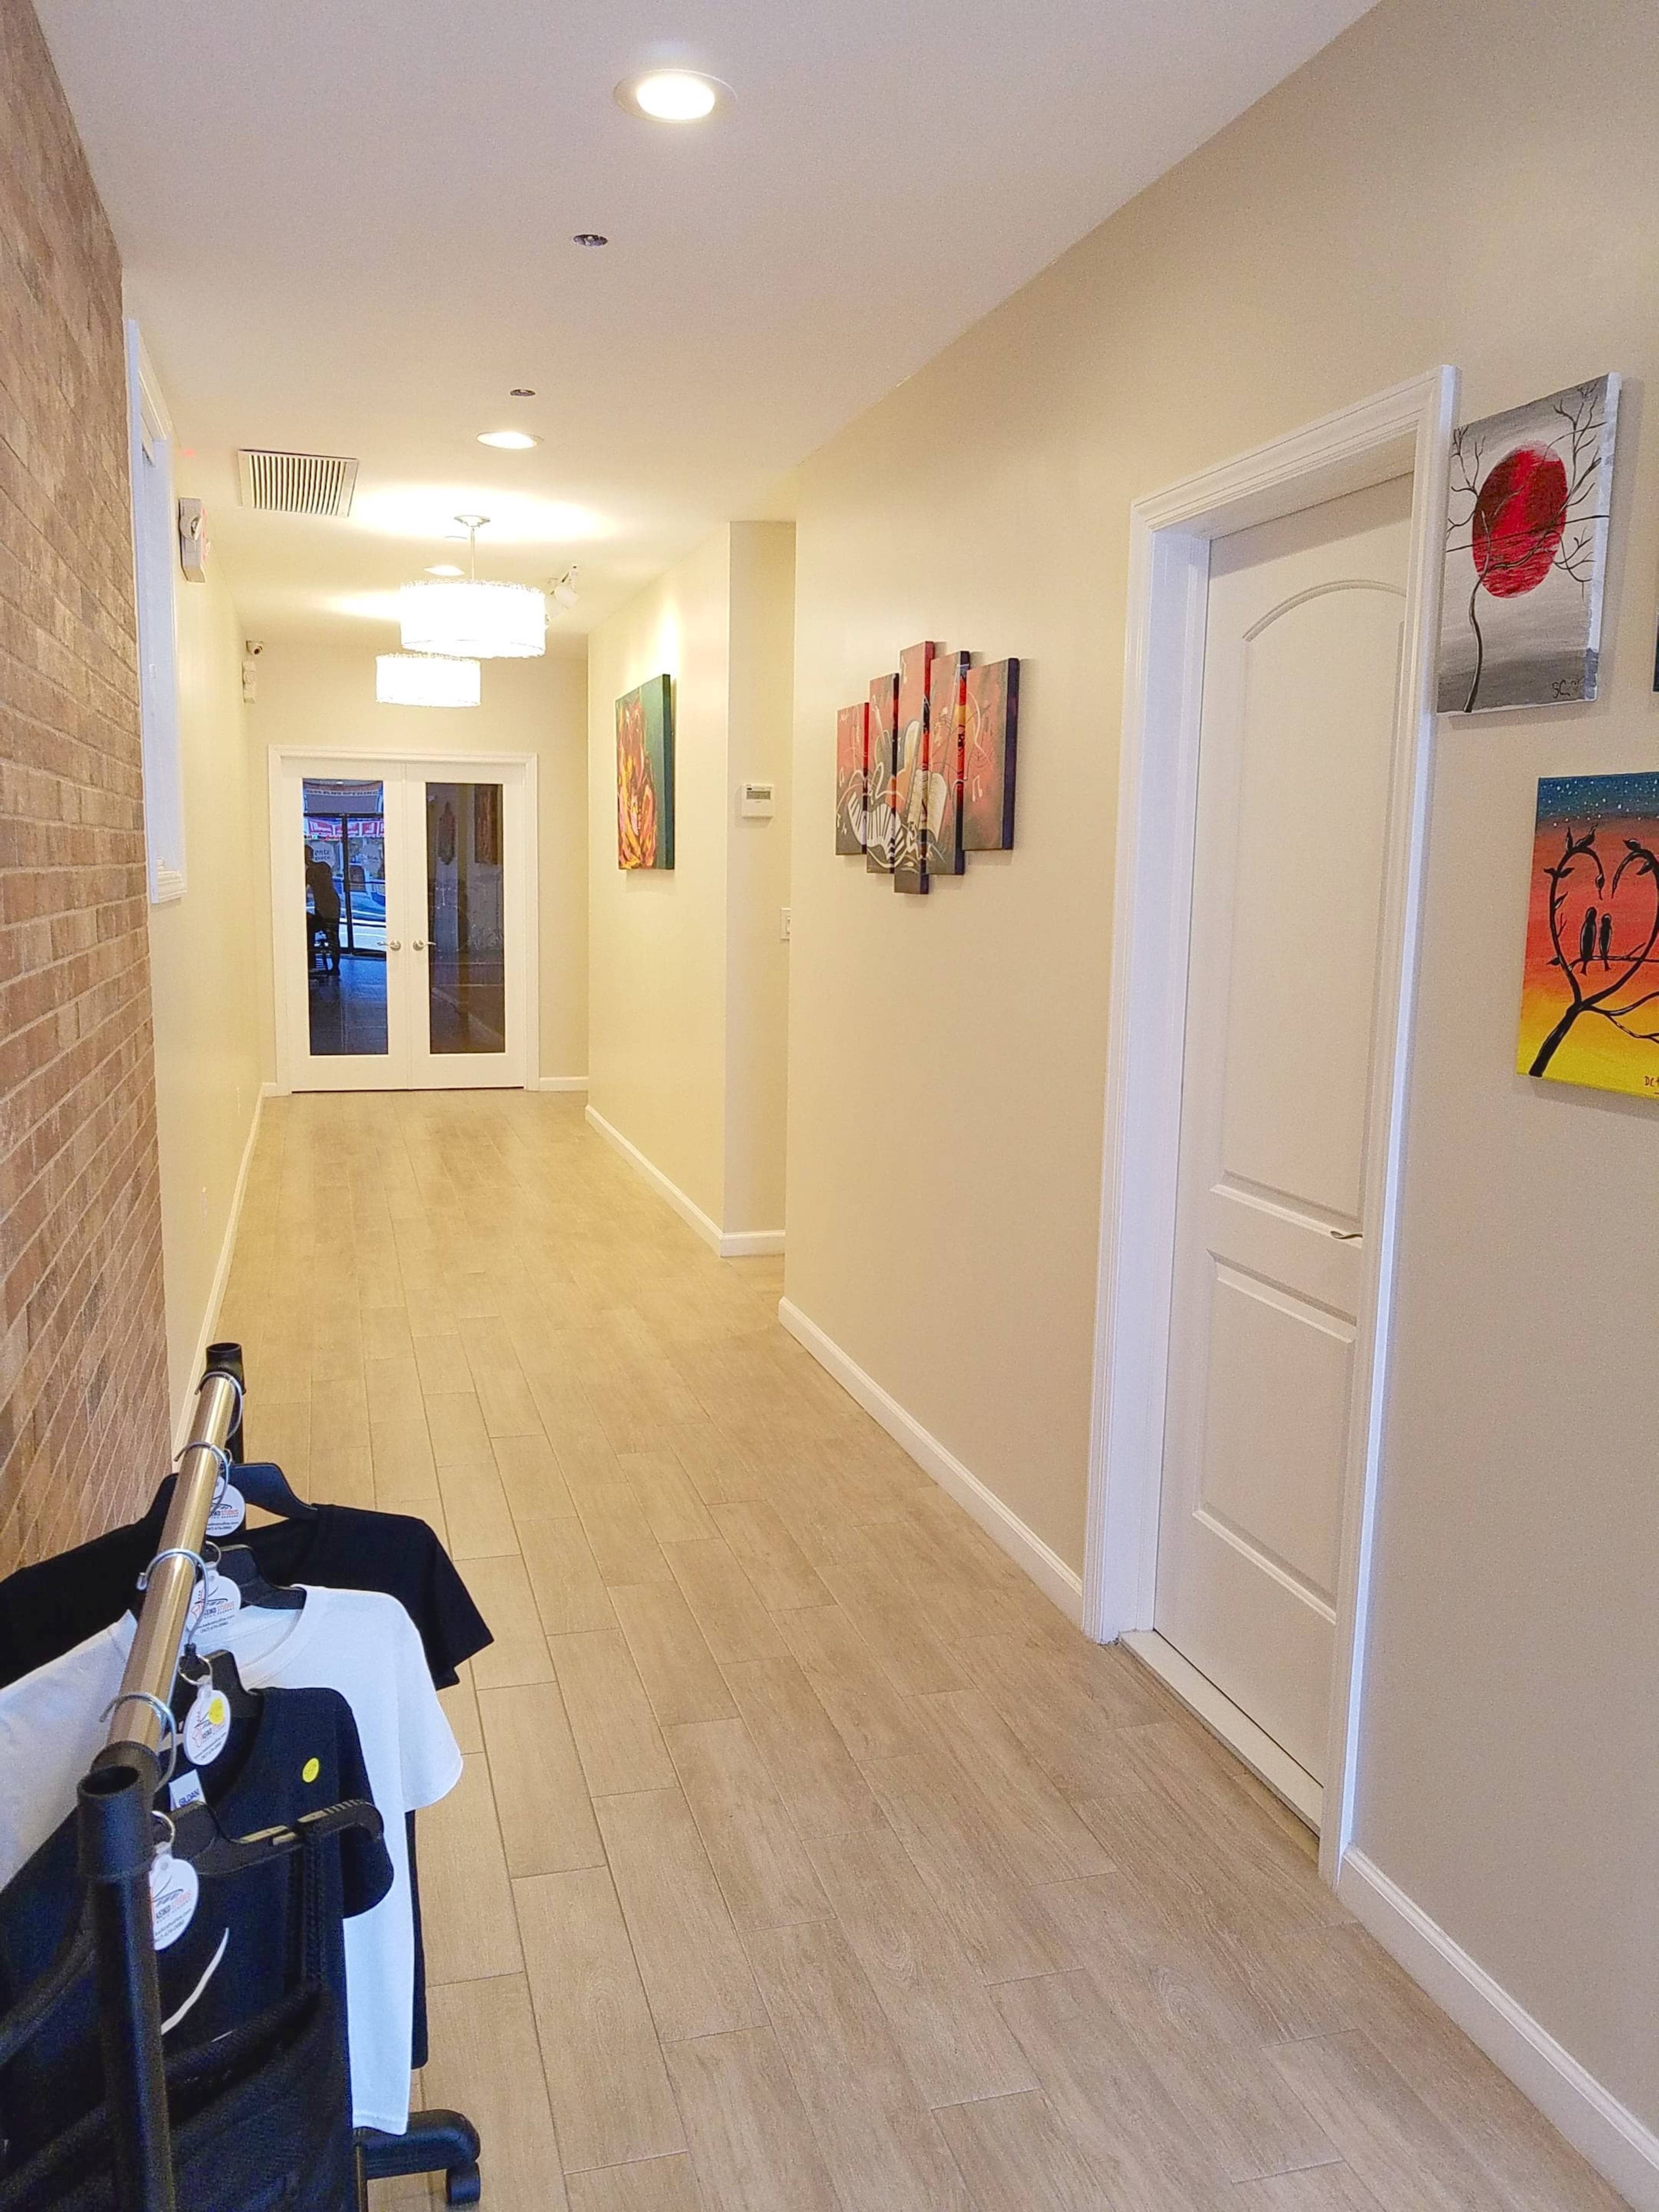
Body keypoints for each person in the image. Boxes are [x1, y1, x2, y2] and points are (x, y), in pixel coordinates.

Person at [306, 842, 341, 972]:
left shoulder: (320, 867)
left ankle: (335, 967)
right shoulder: (315, 869)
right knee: (329, 934)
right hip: (323, 906)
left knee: (332, 936)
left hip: (329, 906)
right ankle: (312, 961)